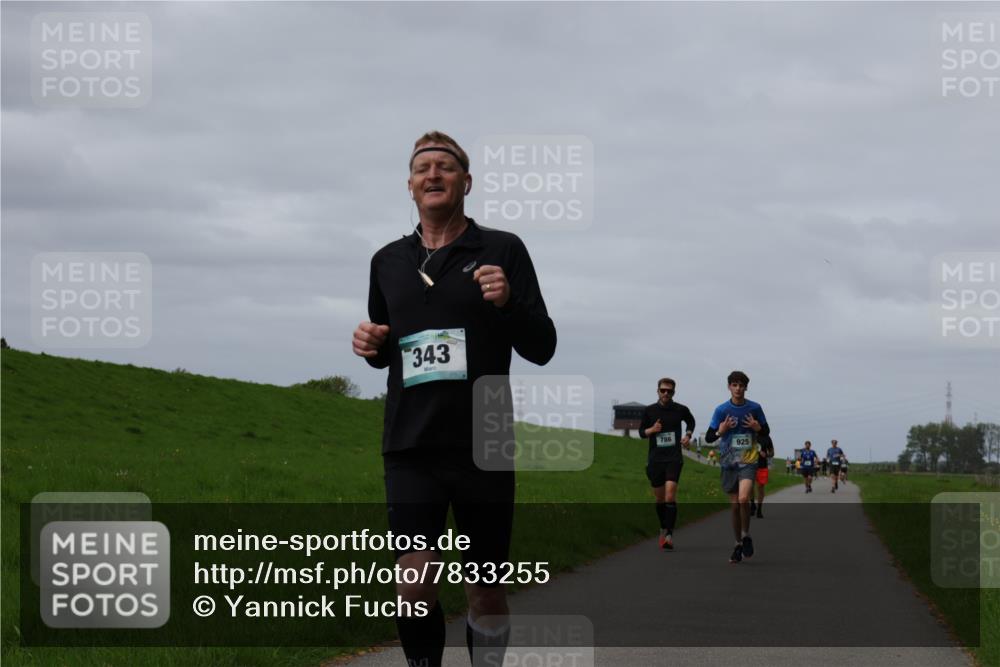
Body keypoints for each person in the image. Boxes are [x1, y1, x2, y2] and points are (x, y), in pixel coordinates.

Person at [352, 131, 557, 667]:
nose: (434, 174)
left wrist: (509, 302)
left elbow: (542, 347)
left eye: (446, 166)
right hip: (410, 443)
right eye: (423, 167)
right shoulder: (386, 261)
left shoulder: (502, 250)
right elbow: (387, 341)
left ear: (467, 182)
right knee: (414, 583)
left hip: (483, 442)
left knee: (485, 590)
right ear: (410, 185)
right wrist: (372, 347)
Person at [705, 370, 770, 564]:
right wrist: (720, 431)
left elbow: (767, 431)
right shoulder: (721, 410)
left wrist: (758, 429)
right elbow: (709, 437)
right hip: (728, 462)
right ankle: (738, 543)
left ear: (746, 387)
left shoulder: (755, 407)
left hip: (749, 461)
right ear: (729, 387)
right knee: (734, 507)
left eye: (741, 385)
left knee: (743, 499)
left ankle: (746, 534)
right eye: (734, 385)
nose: (738, 388)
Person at [638, 377, 696, 550]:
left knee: (670, 495)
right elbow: (641, 432)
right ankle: (663, 527)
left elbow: (690, 421)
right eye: (663, 390)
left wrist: (688, 435)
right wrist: (652, 430)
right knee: (660, 499)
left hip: (674, 458)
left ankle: (669, 534)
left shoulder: (680, 409)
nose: (665, 393)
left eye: (669, 391)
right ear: (657, 391)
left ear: (673, 393)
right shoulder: (649, 411)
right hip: (655, 459)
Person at [749, 434, 774, 519]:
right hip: (749, 465)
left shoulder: (766, 437)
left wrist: (766, 455)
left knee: (760, 487)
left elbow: (772, 452)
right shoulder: (748, 434)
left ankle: (759, 509)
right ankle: (752, 504)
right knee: (749, 486)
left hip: (762, 465)